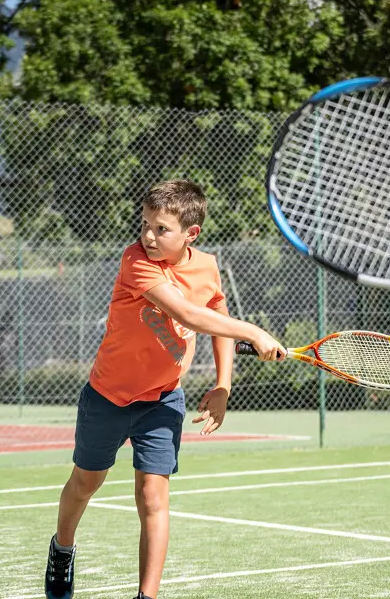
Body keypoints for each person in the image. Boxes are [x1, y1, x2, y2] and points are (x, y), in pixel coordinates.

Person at [43, 180, 285, 599]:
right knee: (86, 482)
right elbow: (188, 316)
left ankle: (147, 595)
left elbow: (217, 323)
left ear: (191, 234)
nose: (149, 236)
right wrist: (256, 331)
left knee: (153, 495)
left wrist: (223, 385)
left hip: (163, 398)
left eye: (161, 229)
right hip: (108, 396)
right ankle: (62, 548)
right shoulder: (136, 260)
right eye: (145, 225)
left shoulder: (207, 267)